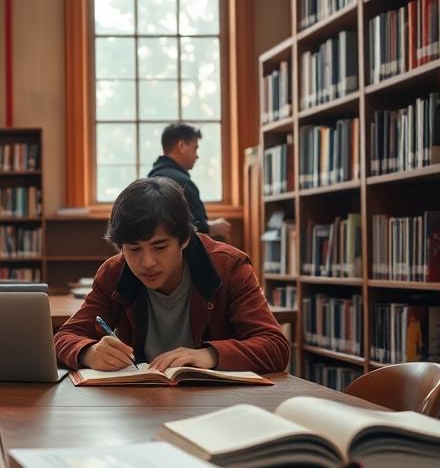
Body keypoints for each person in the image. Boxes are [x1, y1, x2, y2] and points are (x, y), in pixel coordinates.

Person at [53, 177, 290, 374]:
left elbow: (275, 346)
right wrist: (89, 352)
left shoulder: (229, 266)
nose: (147, 262)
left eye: (160, 247)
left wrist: (208, 355)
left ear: (184, 239)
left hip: (215, 403)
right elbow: (63, 337)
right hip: (140, 401)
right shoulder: (114, 272)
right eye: (134, 249)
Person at [148, 123, 231, 239]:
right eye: (195, 148)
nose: (197, 156)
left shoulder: (151, 178)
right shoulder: (182, 183)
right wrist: (211, 228)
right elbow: (193, 229)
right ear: (181, 146)